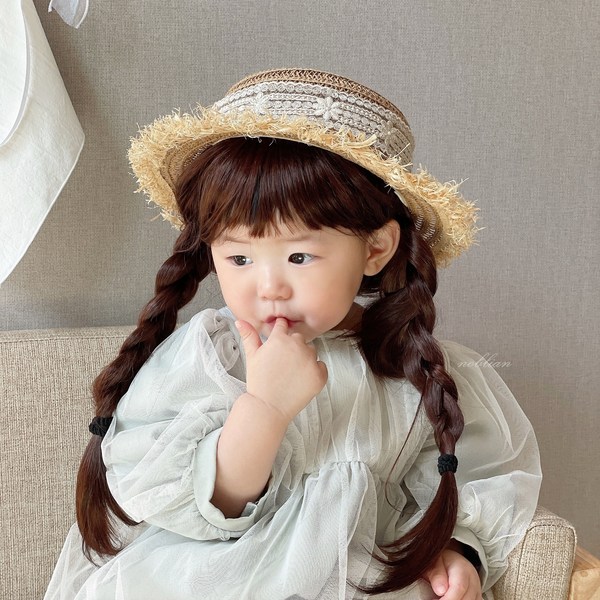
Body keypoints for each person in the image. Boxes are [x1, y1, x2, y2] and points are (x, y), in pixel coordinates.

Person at [45, 68, 541, 600]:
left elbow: (468, 477)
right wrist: (266, 408)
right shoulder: (213, 357)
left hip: (361, 580)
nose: (269, 288)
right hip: (218, 578)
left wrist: (454, 546)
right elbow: (201, 505)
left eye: (299, 256)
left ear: (376, 249)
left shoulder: (410, 369)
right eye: (239, 258)